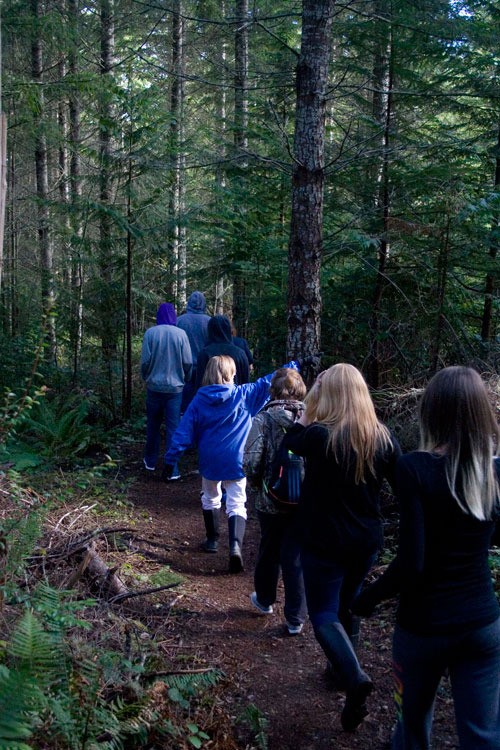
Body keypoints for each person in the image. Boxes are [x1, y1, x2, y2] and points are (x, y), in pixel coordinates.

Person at [352, 366, 500, 750]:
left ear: (431, 410)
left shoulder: (415, 468)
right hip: (482, 625)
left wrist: (367, 598)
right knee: (483, 736)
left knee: (413, 727)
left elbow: (412, 562)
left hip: (423, 627)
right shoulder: (493, 472)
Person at [283, 363, 401, 731]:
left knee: (322, 614)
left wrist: (308, 406)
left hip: (324, 540)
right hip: (366, 541)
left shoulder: (319, 435)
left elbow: (289, 445)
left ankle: (352, 675)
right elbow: (404, 485)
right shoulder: (382, 438)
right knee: (349, 603)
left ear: (329, 394)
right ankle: (341, 671)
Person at [163, 355, 300, 573]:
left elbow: (183, 431)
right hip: (236, 460)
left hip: (210, 460)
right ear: (231, 373)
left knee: (210, 497)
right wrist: (295, 364)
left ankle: (212, 540)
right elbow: (268, 380)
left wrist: (171, 459)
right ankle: (235, 546)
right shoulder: (244, 395)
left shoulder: (200, 399)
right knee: (237, 502)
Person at [243, 367, 308, 636]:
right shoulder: (312, 418)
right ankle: (295, 618)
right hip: (304, 501)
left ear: (273, 390)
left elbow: (251, 461)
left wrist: (258, 486)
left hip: (271, 499)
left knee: (269, 549)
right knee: (295, 556)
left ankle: (265, 600)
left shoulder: (263, 419)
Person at [141, 302, 192, 478]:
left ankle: (150, 461)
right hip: (175, 390)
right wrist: (186, 377)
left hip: (154, 387)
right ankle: (172, 468)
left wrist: (146, 377)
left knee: (153, 426)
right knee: (173, 428)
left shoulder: (150, 333)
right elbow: (187, 361)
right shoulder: (181, 334)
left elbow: (145, 361)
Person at [177, 291, 211, 412]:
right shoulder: (209, 322)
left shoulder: (179, 321)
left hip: (183, 369)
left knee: (185, 408)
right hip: (205, 369)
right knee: (202, 406)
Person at [194, 315, 249, 391]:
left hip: (210, 399)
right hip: (235, 399)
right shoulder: (240, 353)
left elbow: (199, 383)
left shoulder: (204, 353)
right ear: (229, 330)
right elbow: (245, 382)